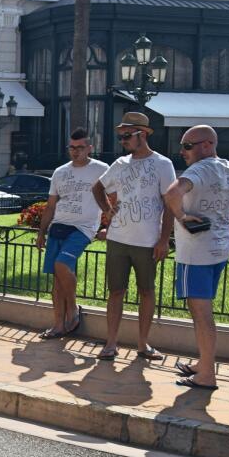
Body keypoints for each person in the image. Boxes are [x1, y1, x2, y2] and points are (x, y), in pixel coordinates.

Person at [163, 125, 229, 389]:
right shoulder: (228, 167)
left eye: (188, 146)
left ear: (207, 145)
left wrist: (181, 217)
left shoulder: (199, 170)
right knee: (204, 310)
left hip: (196, 252)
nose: (183, 152)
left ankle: (207, 374)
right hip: (219, 248)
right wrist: (227, 213)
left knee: (201, 314)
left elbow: (171, 193)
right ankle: (204, 363)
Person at [91, 112, 176, 361]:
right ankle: (111, 343)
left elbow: (169, 203)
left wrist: (164, 240)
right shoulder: (119, 164)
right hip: (118, 239)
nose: (123, 140)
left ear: (143, 134)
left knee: (146, 291)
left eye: (127, 135)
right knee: (116, 291)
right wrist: (107, 211)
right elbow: (97, 187)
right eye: (121, 136)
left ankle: (142, 344)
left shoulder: (163, 164)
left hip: (147, 241)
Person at [35, 129, 109, 339]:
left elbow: (113, 198)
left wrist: (110, 226)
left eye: (80, 148)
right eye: (72, 148)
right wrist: (41, 232)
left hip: (83, 228)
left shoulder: (101, 169)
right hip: (58, 226)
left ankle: (73, 309)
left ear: (89, 148)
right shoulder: (60, 172)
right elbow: (50, 206)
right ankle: (58, 325)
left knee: (62, 265)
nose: (75, 152)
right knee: (57, 281)